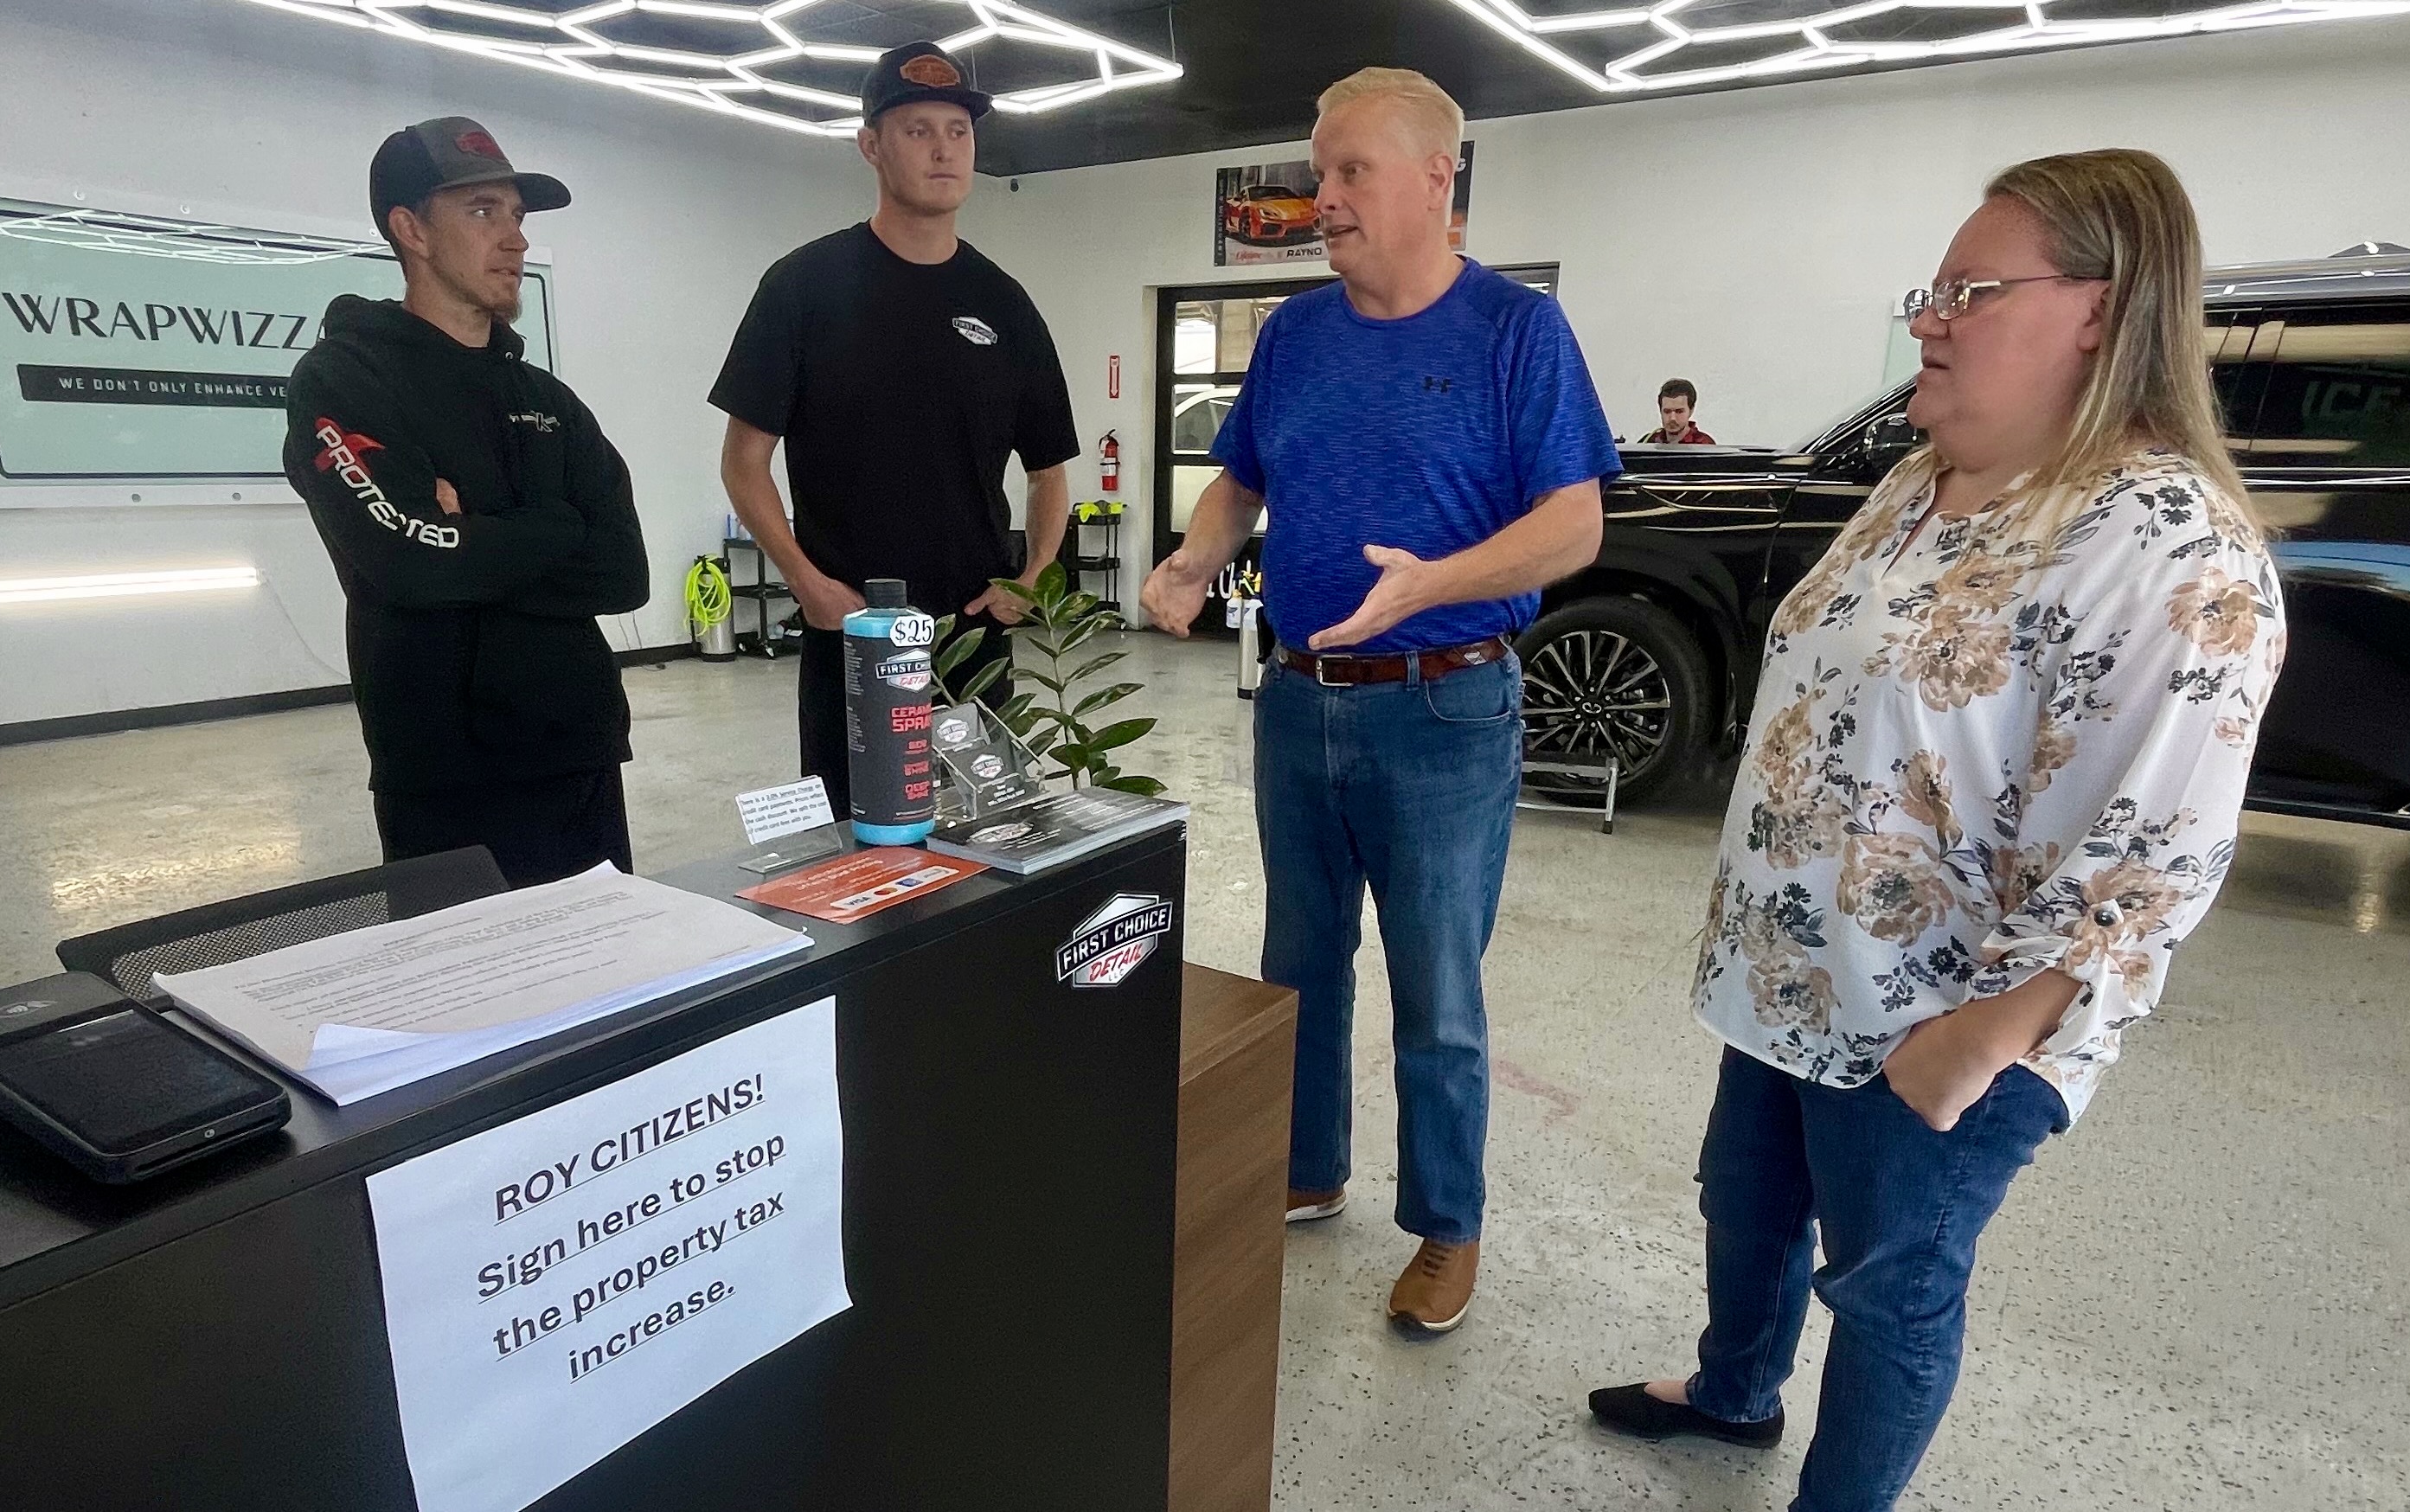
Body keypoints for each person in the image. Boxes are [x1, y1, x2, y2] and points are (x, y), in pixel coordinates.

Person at [1586, 150, 2286, 1511]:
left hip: (1944, 1020)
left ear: (2104, 307)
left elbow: (2157, 849)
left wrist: (1987, 1036)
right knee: (1750, 1205)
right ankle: (1735, 1394)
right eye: (1934, 287)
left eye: (1973, 289)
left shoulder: (2169, 544)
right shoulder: (1922, 480)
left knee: (1892, 1287)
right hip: (1790, 975)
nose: (1930, 316)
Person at [1142, 67, 1618, 1334]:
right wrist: (1197, 555)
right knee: (1298, 961)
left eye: (1350, 171)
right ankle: (1303, 1166)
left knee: (1437, 989)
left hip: (1446, 709)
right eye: (1318, 168)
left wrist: (1432, 586)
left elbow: (1575, 523)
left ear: (1433, 181)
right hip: (1300, 701)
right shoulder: (1296, 334)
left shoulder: (1518, 333)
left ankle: (1447, 1227)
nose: (1323, 197)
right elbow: (1236, 481)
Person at [711, 41, 1078, 808]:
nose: (945, 149)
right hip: (852, 635)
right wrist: (807, 583)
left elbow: (1049, 470)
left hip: (975, 634)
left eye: (959, 130)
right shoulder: (803, 289)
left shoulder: (1004, 304)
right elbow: (745, 464)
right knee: (861, 842)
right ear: (871, 146)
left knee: (981, 838)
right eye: (918, 130)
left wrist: (1035, 573)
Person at [285, 117, 649, 887]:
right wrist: (556, 525)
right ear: (410, 229)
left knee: (609, 992)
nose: (514, 239)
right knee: (470, 999)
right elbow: (408, 563)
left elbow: (623, 573)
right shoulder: (346, 381)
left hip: (577, 751)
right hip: (442, 768)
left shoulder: (548, 401)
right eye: (483, 212)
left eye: (516, 216)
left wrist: (479, 533)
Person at [1638, 378, 1715, 444]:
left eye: (1679, 411)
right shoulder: (1649, 442)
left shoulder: (1704, 445)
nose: (1672, 418)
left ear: (1691, 410)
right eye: (1667, 411)